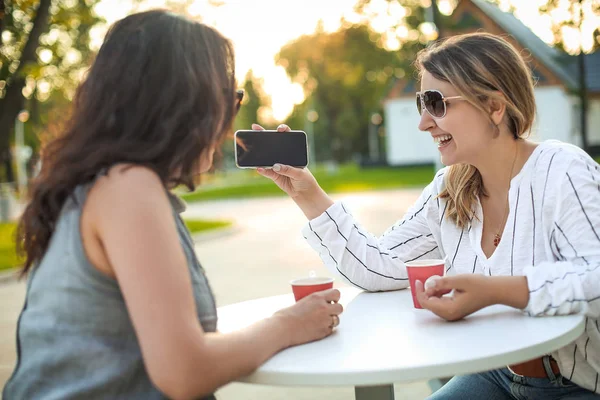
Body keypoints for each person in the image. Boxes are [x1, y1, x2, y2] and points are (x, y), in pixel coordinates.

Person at [2, 10, 343, 400]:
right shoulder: (128, 187)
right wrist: (289, 324)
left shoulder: (108, 182)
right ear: (184, 103)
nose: (229, 123)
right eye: (229, 100)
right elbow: (184, 371)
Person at [256, 32, 600, 399]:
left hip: (577, 385)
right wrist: (308, 194)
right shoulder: (448, 190)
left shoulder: (561, 170)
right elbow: (377, 267)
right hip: (496, 376)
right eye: (422, 102)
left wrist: (494, 292)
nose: (423, 122)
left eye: (436, 103)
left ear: (495, 107)